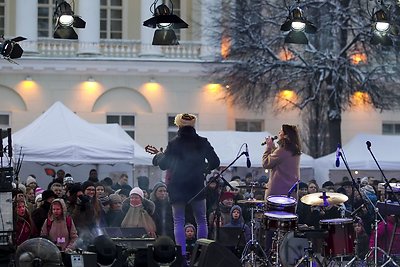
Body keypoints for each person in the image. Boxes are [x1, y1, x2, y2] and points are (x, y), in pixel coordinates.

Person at [152, 113, 220, 259]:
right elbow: (215, 162)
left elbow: (164, 165)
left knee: (179, 221)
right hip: (197, 184)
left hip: (177, 186)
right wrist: (204, 169)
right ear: (193, 125)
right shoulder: (203, 142)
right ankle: (201, 254)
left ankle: (182, 255)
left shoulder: (173, 143)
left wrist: (160, 156)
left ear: (179, 125)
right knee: (201, 220)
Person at [262, 124, 301, 198]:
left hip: (277, 193)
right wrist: (274, 148)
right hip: (290, 192)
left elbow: (266, 163)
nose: (279, 134)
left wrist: (268, 148)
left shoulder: (283, 150)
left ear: (285, 136)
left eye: (280, 132)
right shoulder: (295, 150)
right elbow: (280, 160)